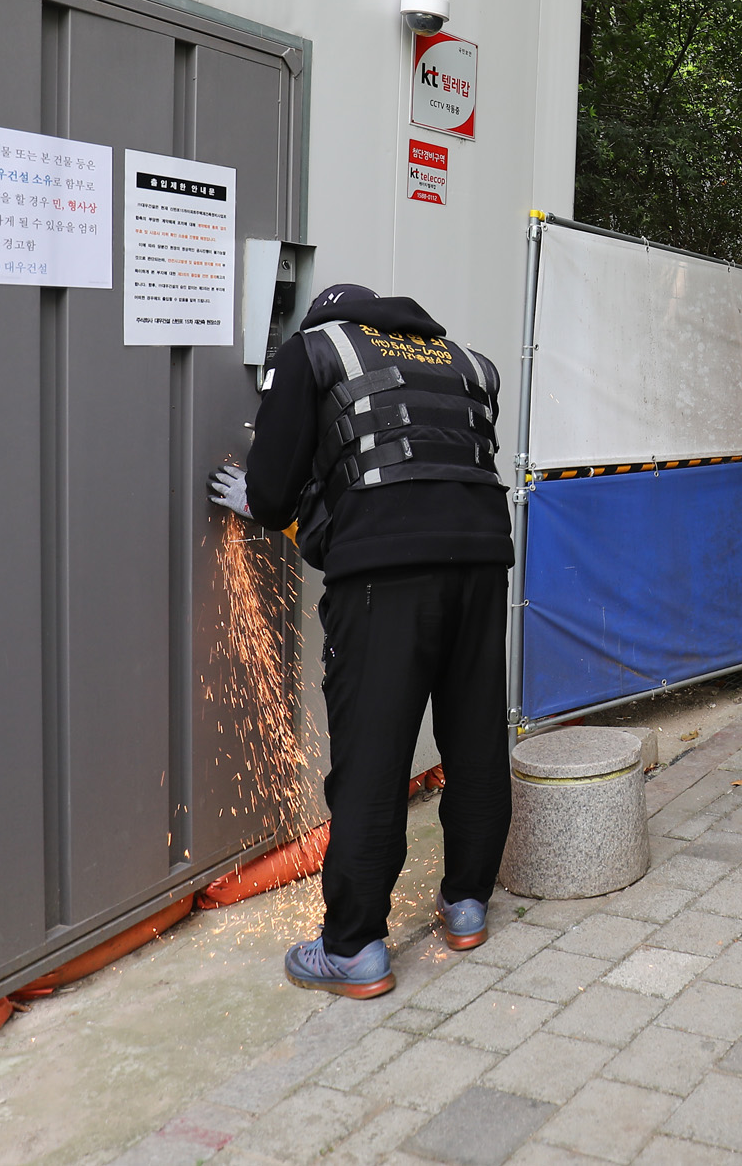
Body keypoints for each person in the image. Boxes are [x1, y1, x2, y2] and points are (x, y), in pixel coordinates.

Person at [208, 283, 514, 997]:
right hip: (481, 562)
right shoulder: (463, 359)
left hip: (386, 578)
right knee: (474, 737)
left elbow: (278, 489)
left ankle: (353, 947)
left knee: (372, 757)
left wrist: (260, 500)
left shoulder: (314, 350)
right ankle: (467, 904)